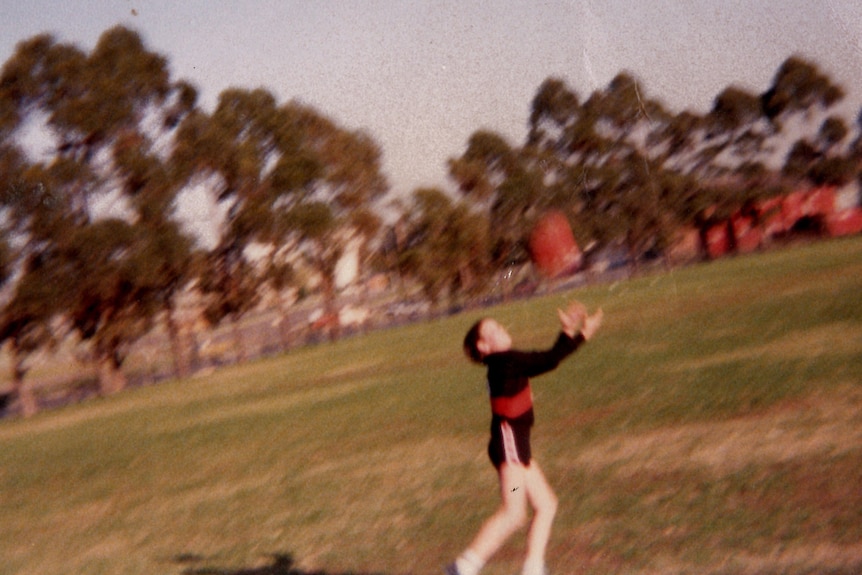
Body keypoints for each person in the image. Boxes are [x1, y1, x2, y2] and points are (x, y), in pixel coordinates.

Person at [446, 302, 603, 575]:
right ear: (483, 347)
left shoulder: (503, 362)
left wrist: (568, 331)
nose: (501, 329)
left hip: (516, 446)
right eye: (491, 330)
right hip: (510, 447)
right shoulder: (505, 361)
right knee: (514, 511)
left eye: (498, 325)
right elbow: (549, 360)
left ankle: (532, 568)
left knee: (546, 504)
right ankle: (464, 567)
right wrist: (580, 334)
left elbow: (547, 359)